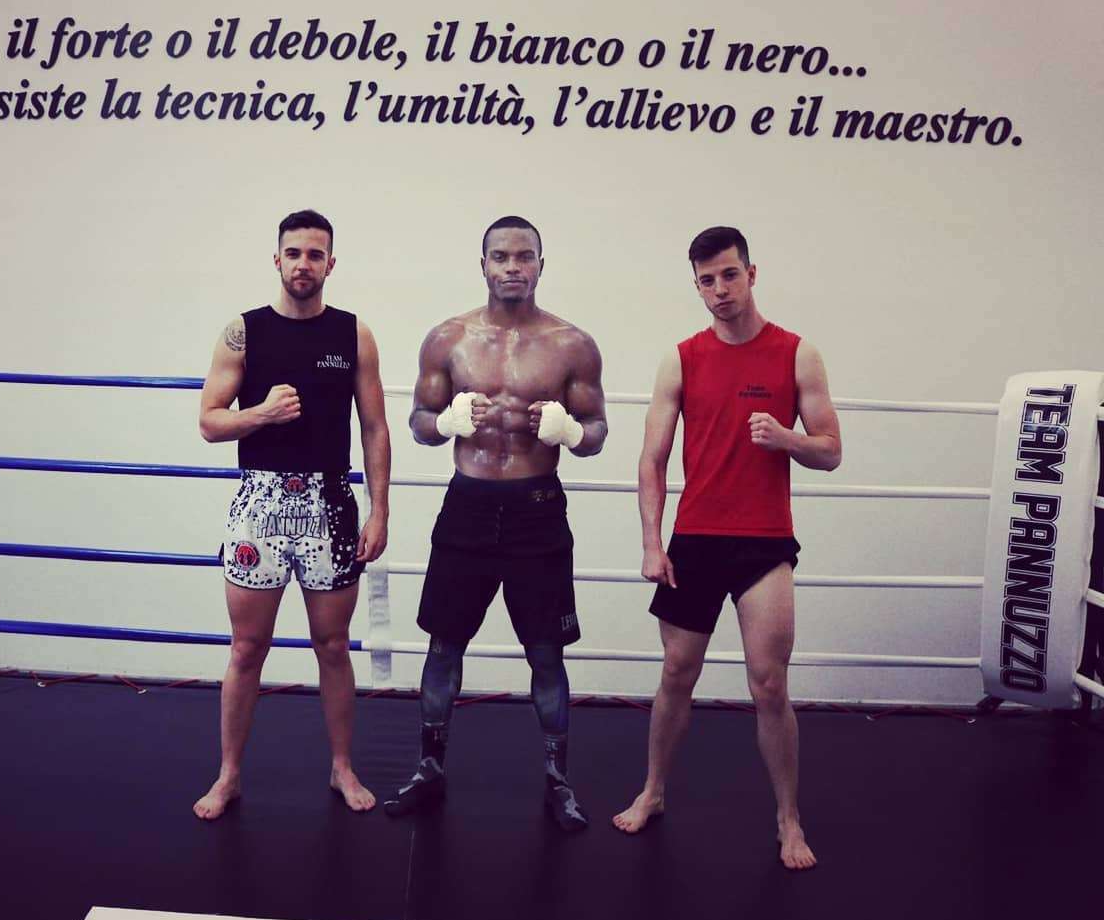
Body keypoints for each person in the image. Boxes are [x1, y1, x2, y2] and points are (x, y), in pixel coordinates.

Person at [612, 226, 842, 870]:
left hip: (764, 543)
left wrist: (787, 439)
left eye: (729, 275)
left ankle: (789, 819)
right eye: (707, 280)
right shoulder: (681, 358)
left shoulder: (797, 354)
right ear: (697, 285)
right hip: (695, 541)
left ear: (752, 273)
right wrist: (652, 543)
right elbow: (652, 459)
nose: (719, 290)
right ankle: (654, 791)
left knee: (768, 684)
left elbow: (831, 451)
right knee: (676, 674)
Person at [382, 215, 607, 832]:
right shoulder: (448, 339)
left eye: (523, 256)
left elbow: (597, 432)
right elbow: (419, 422)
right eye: (501, 256)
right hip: (469, 506)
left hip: (537, 508)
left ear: (541, 264)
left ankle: (559, 780)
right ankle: (429, 768)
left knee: (546, 652)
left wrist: (568, 431)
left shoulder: (572, 344)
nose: (512, 266)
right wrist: (446, 422)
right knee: (443, 644)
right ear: (482, 264)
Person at [193, 209, 390, 820]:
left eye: (315, 254)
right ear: (276, 259)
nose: (304, 264)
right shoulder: (243, 332)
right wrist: (261, 414)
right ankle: (228, 775)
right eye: (294, 253)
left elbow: (375, 428)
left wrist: (380, 511)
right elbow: (209, 422)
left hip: (330, 502)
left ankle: (341, 767)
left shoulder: (353, 334)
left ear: (331, 263)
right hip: (261, 502)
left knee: (332, 645)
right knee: (247, 646)